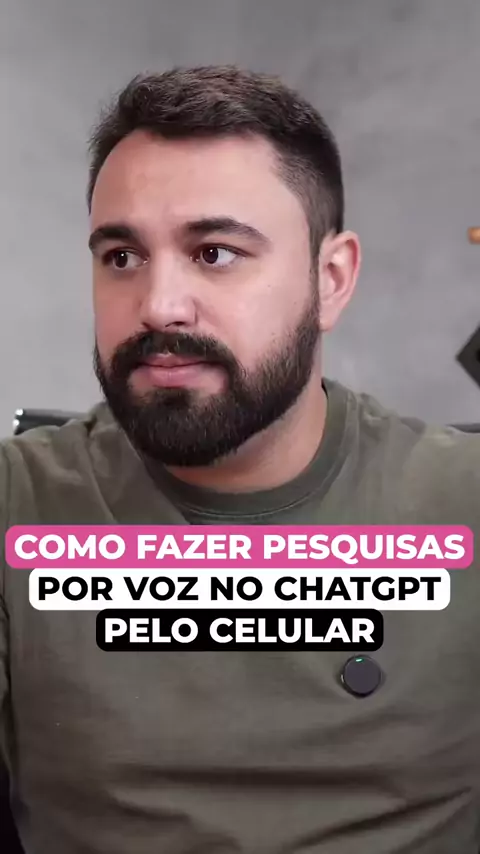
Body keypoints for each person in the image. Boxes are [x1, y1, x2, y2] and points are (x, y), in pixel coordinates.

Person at [0, 65, 479, 854]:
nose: (158, 305)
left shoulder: (463, 502)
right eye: (121, 257)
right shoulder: (19, 503)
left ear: (331, 279)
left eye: (215, 253)